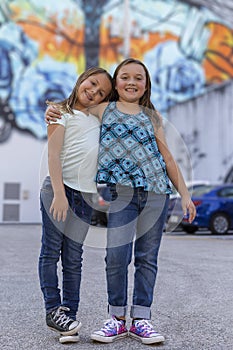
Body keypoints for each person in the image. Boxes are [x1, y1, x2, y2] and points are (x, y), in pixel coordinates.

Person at [45, 58, 196, 345]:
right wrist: (53, 109)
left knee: (146, 258)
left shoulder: (153, 117)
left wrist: (185, 194)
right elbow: (75, 104)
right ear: (116, 84)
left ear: (146, 84)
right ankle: (116, 318)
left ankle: (141, 320)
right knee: (116, 257)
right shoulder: (104, 109)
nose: (131, 82)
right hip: (120, 195)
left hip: (156, 194)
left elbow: (167, 158)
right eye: (124, 77)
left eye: (138, 78)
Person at [39, 67, 113, 344]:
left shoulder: (98, 117)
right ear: (82, 79)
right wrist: (59, 193)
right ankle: (53, 310)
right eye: (92, 83)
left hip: (86, 196)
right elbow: (54, 155)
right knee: (50, 251)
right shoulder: (60, 113)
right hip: (59, 190)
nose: (93, 92)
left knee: (73, 257)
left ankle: (67, 318)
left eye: (101, 92)